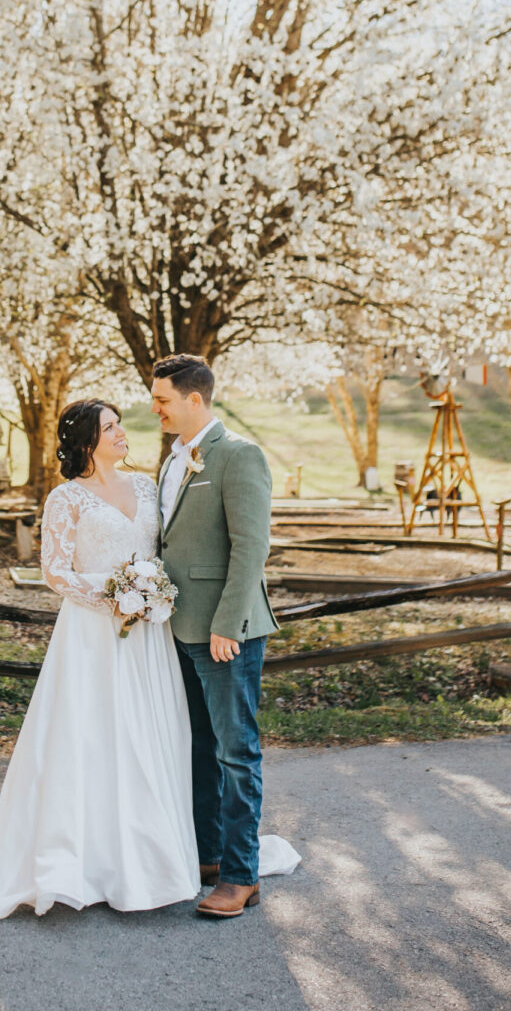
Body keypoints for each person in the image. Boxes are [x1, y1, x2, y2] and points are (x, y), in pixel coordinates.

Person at [0, 399, 200, 916]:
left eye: (120, 425)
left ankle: (151, 858)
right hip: (92, 633)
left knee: (147, 733)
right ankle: (80, 860)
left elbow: (163, 556)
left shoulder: (146, 487)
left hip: (147, 634)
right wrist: (115, 600)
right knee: (89, 735)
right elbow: (55, 572)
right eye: (111, 427)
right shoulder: (66, 498)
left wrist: (149, 598)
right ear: (86, 442)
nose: (122, 433)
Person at [152, 352, 296, 918]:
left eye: (163, 399)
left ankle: (241, 876)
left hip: (223, 633)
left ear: (195, 399)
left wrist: (226, 625)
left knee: (237, 753)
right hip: (177, 627)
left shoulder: (239, 456)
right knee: (198, 748)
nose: (156, 408)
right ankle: (209, 854)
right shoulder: (172, 460)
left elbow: (251, 548)